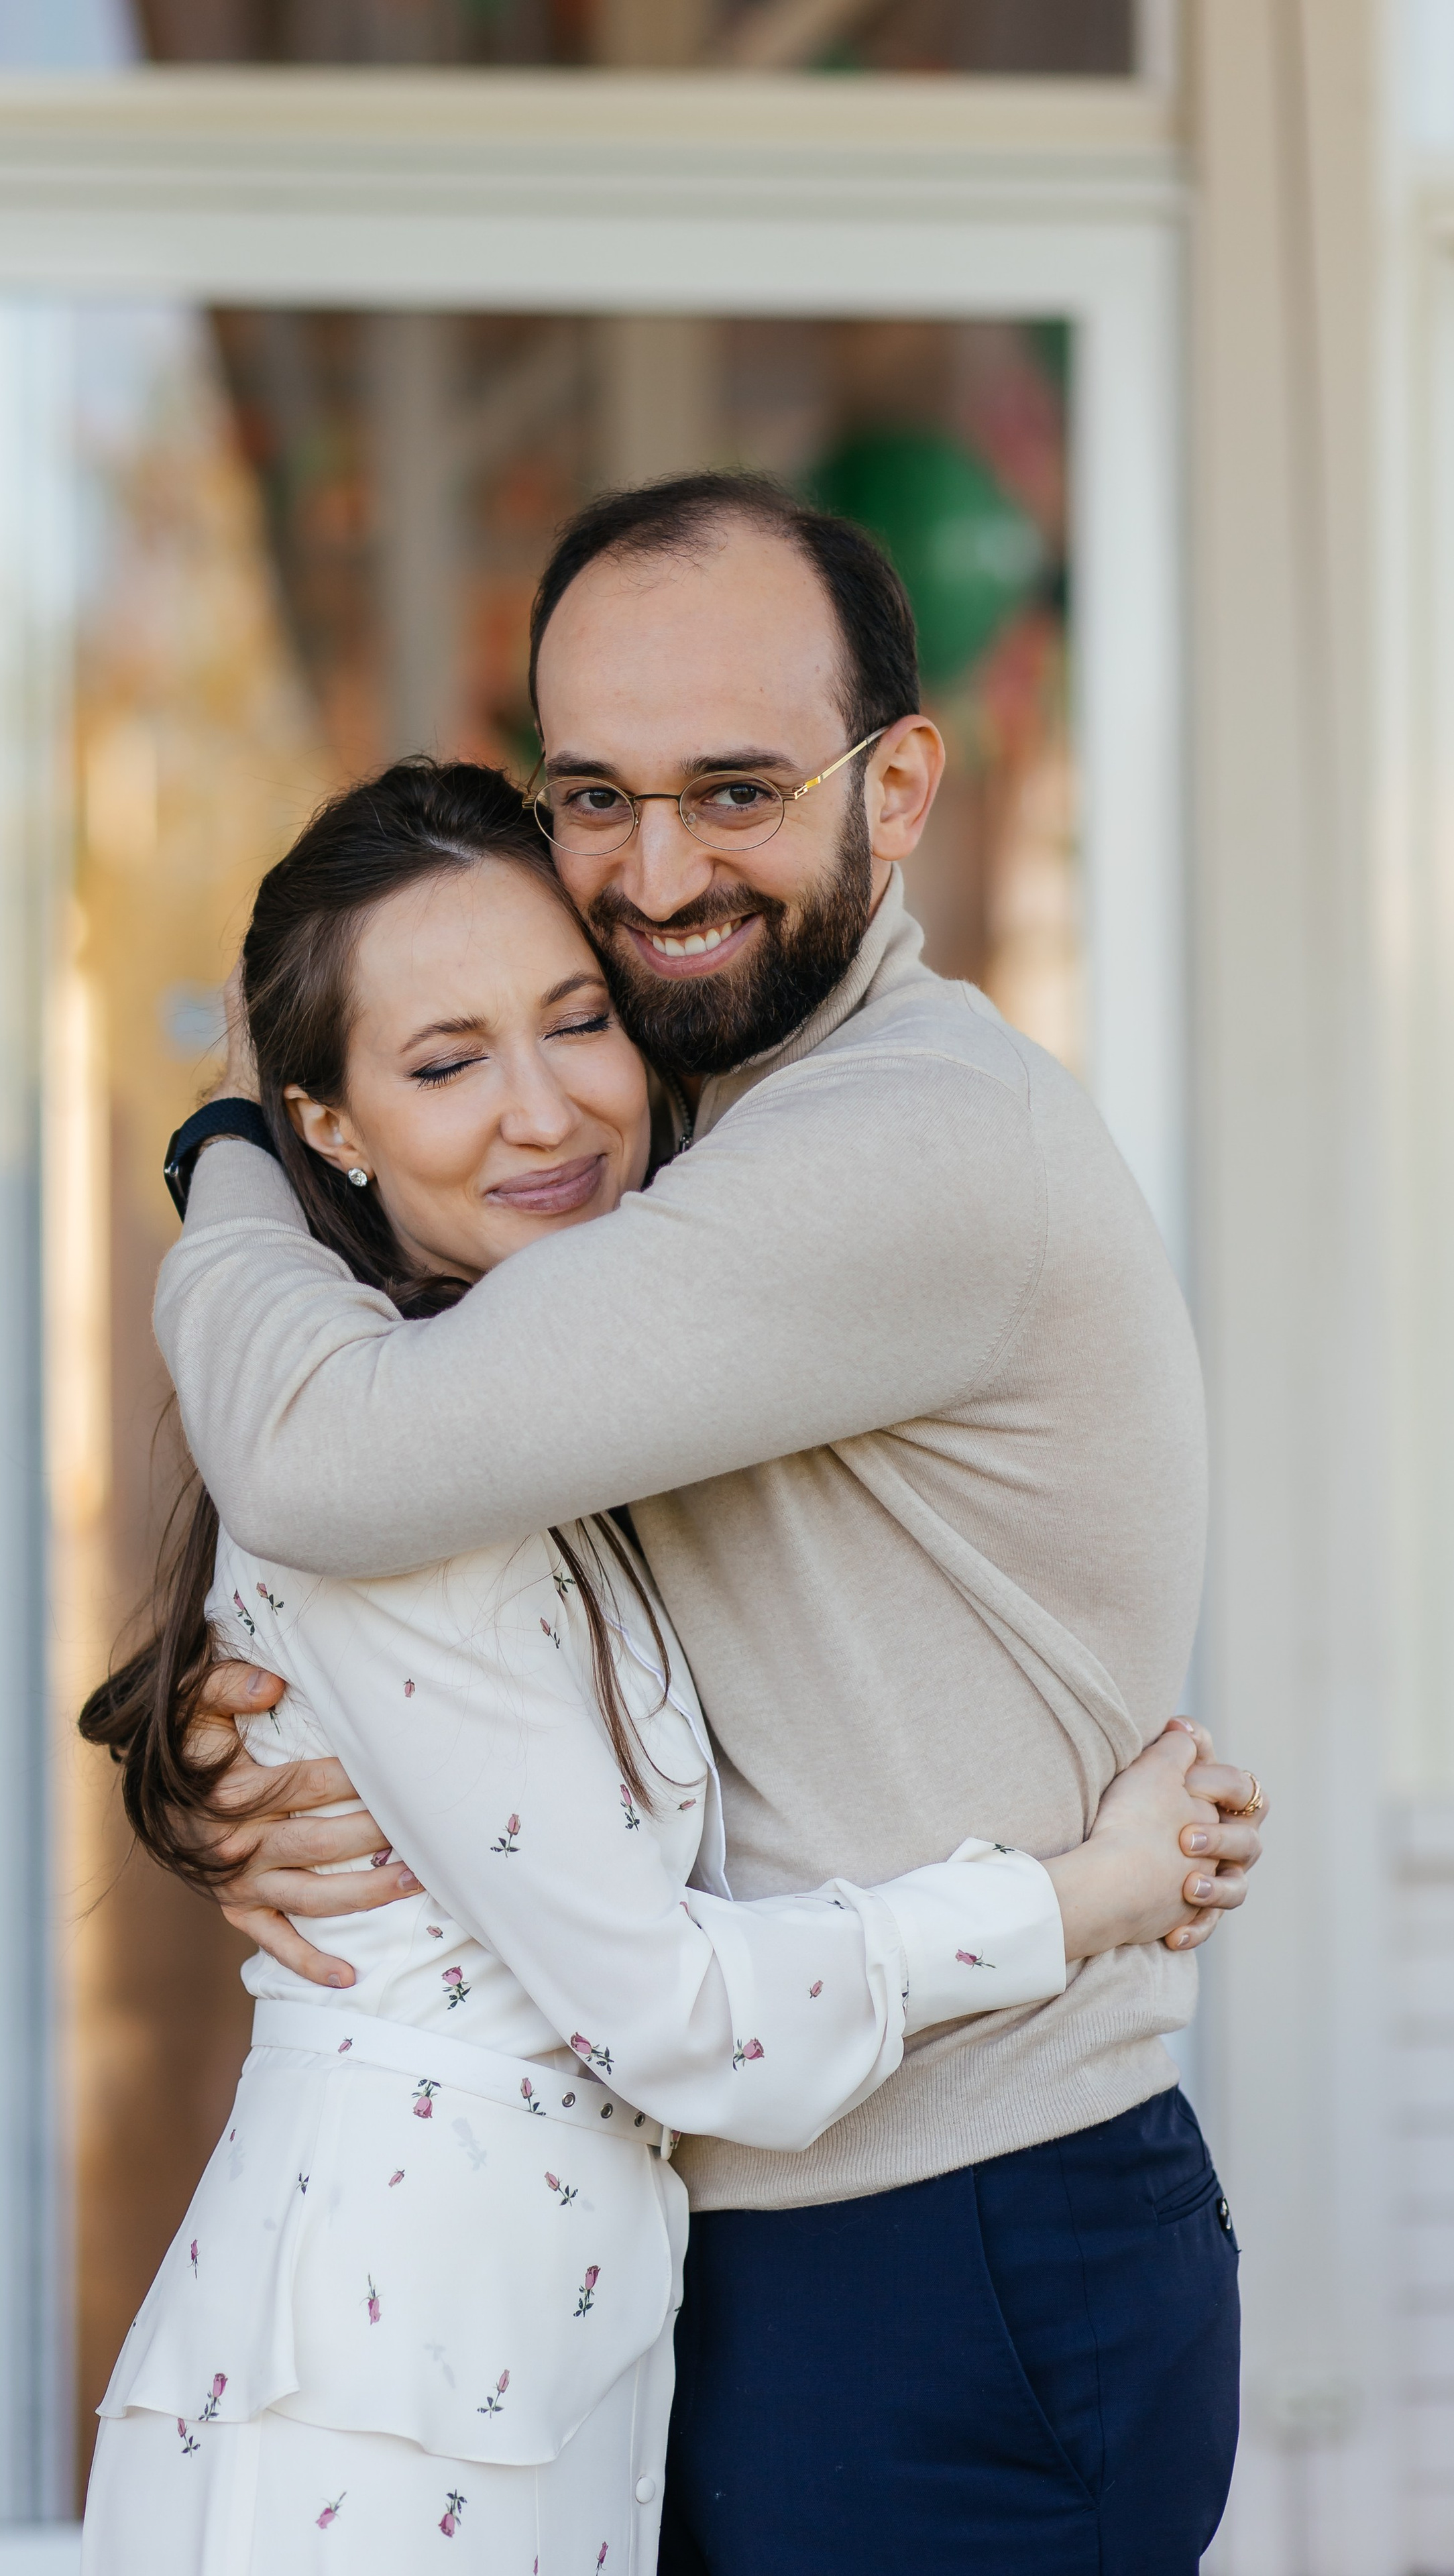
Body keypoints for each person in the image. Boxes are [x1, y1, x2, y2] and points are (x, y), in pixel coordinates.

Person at [150, 475, 1264, 2573]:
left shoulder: (888, 1148)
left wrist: (222, 1146)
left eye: (738, 790)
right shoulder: (658, 1137)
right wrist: (244, 1748)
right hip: (738, 2214)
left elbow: (330, 1453)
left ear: (901, 783)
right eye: (594, 794)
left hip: (940, 2242)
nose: (657, 876)